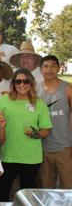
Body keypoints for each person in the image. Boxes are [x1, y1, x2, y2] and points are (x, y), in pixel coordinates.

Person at [0, 69, 52, 202]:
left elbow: (46, 129)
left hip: (31, 158)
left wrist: (36, 134)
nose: (22, 84)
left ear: (31, 83)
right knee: (2, 192)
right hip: (8, 155)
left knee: (28, 195)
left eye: (26, 81)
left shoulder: (39, 103)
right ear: (13, 84)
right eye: (18, 81)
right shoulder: (3, 101)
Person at [37, 55, 72, 189]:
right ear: (41, 69)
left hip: (65, 146)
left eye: (53, 66)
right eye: (46, 66)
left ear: (58, 68)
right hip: (43, 147)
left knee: (68, 187)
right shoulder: (35, 90)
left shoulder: (68, 88)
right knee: (46, 188)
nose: (49, 69)